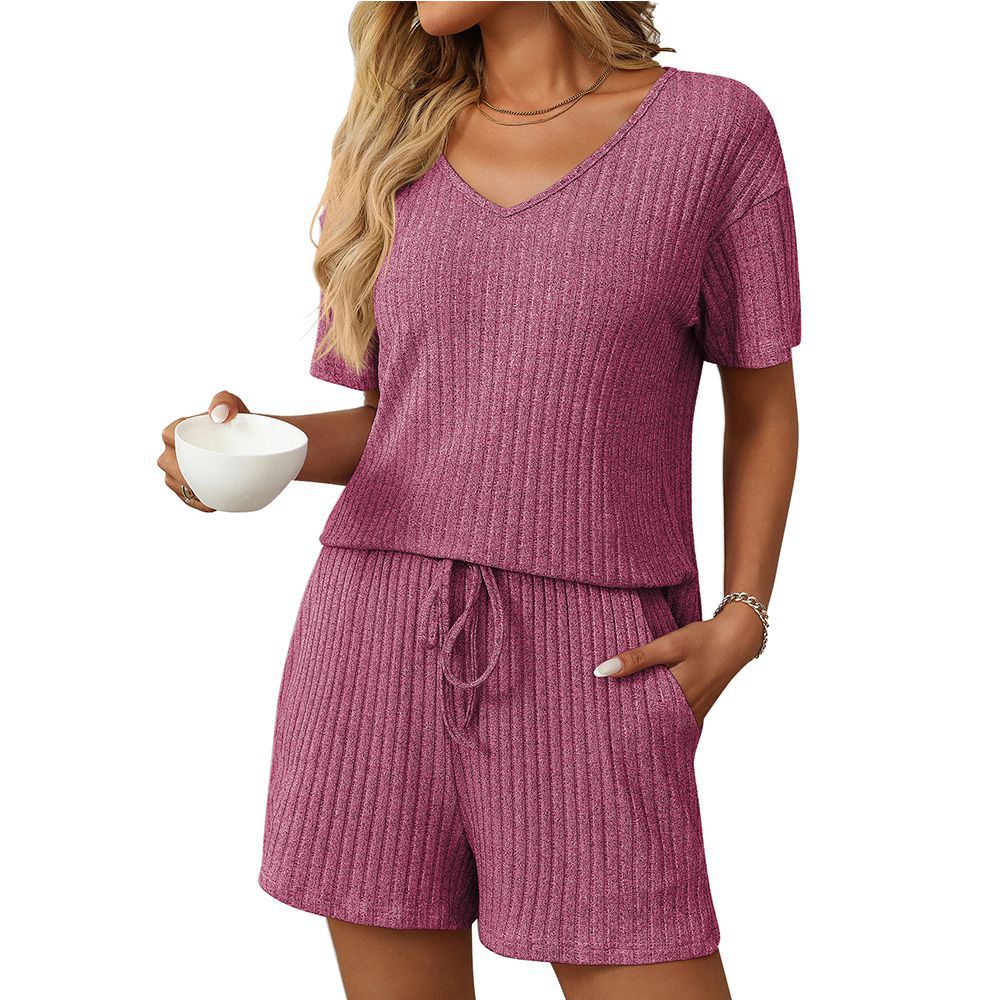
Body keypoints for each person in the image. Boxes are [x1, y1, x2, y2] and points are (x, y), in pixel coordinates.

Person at [158, 3, 800, 997]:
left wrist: (742, 619)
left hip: (595, 659)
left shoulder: (713, 130)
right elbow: (404, 426)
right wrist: (254, 442)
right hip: (372, 649)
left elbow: (760, 406)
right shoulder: (390, 146)